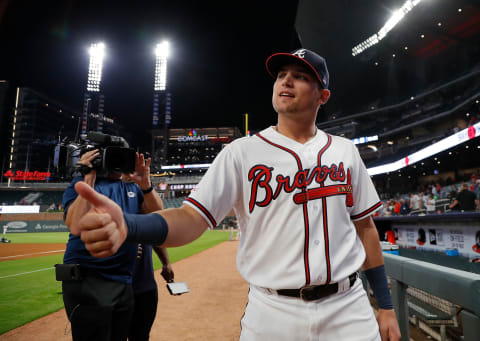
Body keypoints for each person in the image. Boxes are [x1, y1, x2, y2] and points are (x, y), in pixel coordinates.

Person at [70, 48, 401, 341]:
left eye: (300, 77)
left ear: (322, 96)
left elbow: (365, 227)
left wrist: (385, 306)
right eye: (282, 75)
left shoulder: (344, 152)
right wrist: (131, 226)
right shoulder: (240, 153)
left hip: (348, 307)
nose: (286, 81)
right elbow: (190, 218)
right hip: (272, 311)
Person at [60, 148, 167, 341]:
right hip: (89, 281)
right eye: (114, 157)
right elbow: (75, 223)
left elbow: (159, 217)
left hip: (123, 282)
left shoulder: (133, 187)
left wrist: (146, 185)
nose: (120, 163)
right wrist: (88, 178)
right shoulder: (81, 184)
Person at [121, 174, 175, 341]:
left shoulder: (141, 195)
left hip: (144, 285)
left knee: (141, 335)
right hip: (117, 285)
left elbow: (156, 231)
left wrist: (166, 262)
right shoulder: (109, 193)